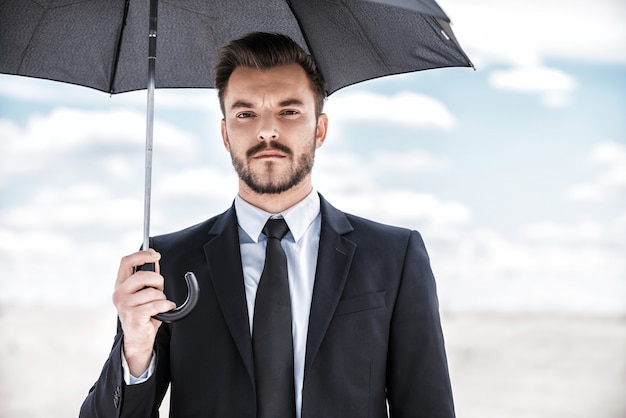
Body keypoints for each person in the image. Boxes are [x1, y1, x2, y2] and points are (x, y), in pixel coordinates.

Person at [80, 32, 455, 418]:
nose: (266, 131)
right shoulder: (166, 263)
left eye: (289, 111)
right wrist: (135, 350)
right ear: (225, 134)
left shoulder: (395, 256)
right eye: (245, 114)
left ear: (320, 129)